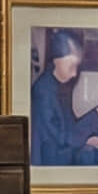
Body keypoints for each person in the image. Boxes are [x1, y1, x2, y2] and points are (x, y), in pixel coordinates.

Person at [29, 38, 83, 170]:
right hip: (50, 160)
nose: (74, 73)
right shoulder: (43, 89)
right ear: (56, 60)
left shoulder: (58, 85)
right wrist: (82, 139)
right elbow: (53, 130)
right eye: (71, 66)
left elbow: (68, 119)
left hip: (59, 153)